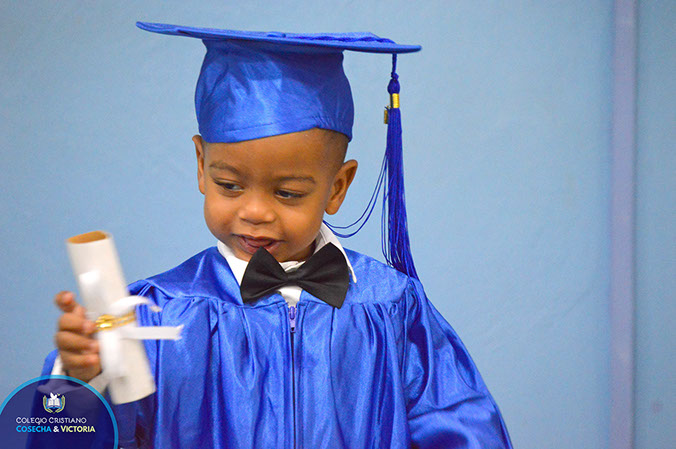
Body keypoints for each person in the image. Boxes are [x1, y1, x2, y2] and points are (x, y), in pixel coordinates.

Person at [42, 22, 513, 448]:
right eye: (230, 185)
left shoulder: (391, 306)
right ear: (201, 166)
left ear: (337, 188)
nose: (255, 212)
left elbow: (463, 426)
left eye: (287, 193)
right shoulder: (154, 314)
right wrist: (84, 383)